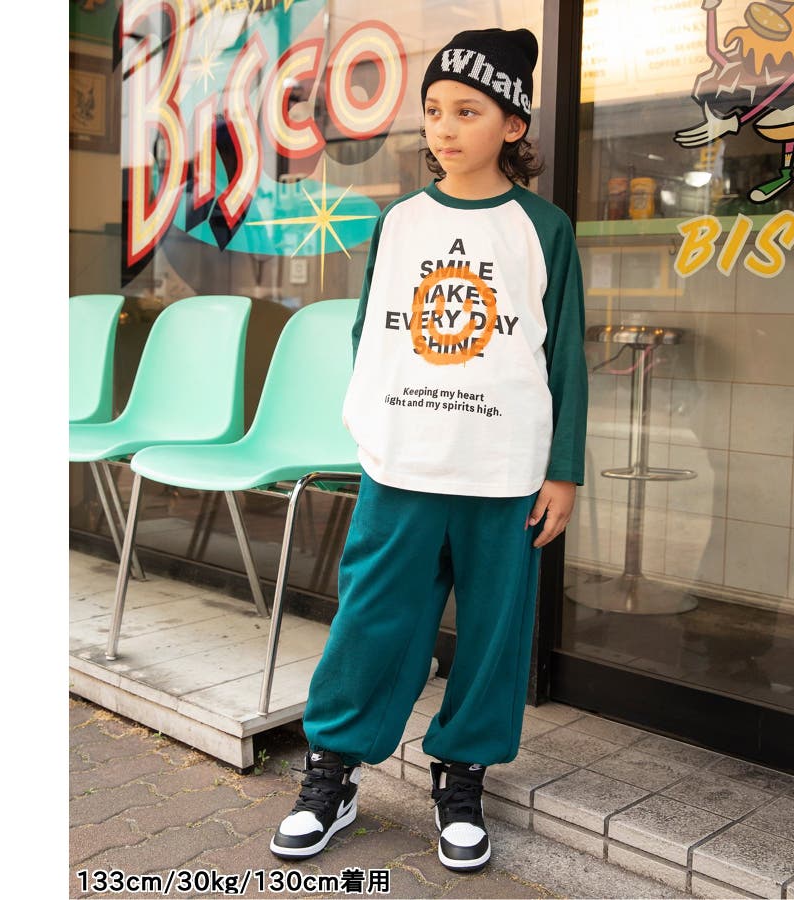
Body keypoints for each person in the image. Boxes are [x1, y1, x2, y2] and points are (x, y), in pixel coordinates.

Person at [270, 26, 588, 872]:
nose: (444, 127)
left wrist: (562, 471)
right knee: (373, 618)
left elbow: (563, 357)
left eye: (468, 111)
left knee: (492, 632)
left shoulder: (543, 228)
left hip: (505, 469)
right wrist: (372, 427)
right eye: (435, 109)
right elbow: (372, 332)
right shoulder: (401, 220)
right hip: (403, 461)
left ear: (513, 125)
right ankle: (333, 770)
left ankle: (462, 775)